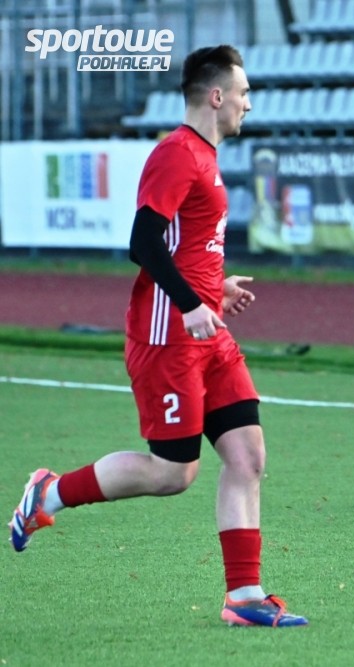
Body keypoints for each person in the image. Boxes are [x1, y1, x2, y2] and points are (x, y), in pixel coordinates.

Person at [8, 45, 307, 627]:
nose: (248, 103)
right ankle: (49, 493)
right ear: (216, 96)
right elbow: (142, 243)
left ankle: (244, 598)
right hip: (166, 338)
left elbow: (182, 245)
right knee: (174, 473)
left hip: (207, 331)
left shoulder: (204, 155)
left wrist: (214, 287)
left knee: (247, 456)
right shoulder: (177, 154)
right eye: (243, 92)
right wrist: (191, 302)